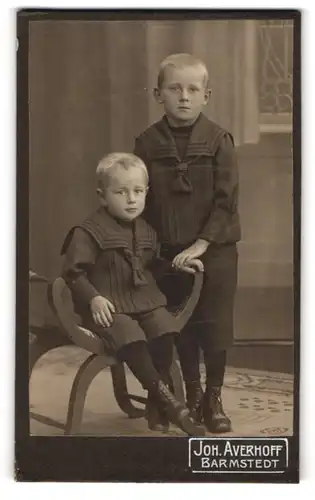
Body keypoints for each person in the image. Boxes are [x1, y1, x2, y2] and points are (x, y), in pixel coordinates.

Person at [61, 152, 204, 436]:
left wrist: (179, 266)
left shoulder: (147, 231)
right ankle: (172, 405)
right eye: (121, 192)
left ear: (146, 193)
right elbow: (73, 273)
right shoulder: (88, 232)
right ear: (103, 196)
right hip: (108, 307)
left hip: (144, 301)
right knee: (131, 335)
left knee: (164, 329)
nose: (131, 199)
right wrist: (93, 298)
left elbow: (150, 267)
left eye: (138, 191)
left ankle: (155, 406)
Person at [134, 53, 240, 433]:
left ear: (206, 95)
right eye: (174, 88)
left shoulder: (219, 141)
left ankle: (213, 396)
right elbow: (139, 200)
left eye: (193, 90)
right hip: (167, 254)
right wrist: (154, 252)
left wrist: (201, 244)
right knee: (181, 323)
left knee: (214, 323)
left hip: (215, 251)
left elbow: (227, 202)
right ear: (157, 94)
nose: (184, 97)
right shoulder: (146, 143)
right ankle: (191, 393)